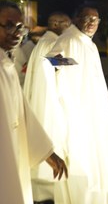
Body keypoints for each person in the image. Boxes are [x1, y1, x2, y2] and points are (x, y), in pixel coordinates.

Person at [46, 4, 108, 203]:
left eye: (95, 19)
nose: (91, 23)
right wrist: (72, 67)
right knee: (83, 164)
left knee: (97, 161)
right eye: (87, 18)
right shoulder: (70, 39)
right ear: (76, 19)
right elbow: (49, 62)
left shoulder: (88, 43)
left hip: (93, 113)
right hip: (78, 114)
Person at [0, 0, 68, 203]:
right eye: (9, 25)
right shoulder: (50, 44)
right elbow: (65, 65)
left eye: (20, 27)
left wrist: (47, 152)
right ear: (55, 24)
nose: (16, 32)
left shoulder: (5, 60)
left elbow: (22, 111)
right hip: (47, 103)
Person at [23, 11, 71, 202]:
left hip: (38, 105)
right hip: (48, 108)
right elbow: (57, 62)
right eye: (68, 25)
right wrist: (77, 60)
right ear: (57, 24)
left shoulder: (41, 43)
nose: (70, 29)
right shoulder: (52, 44)